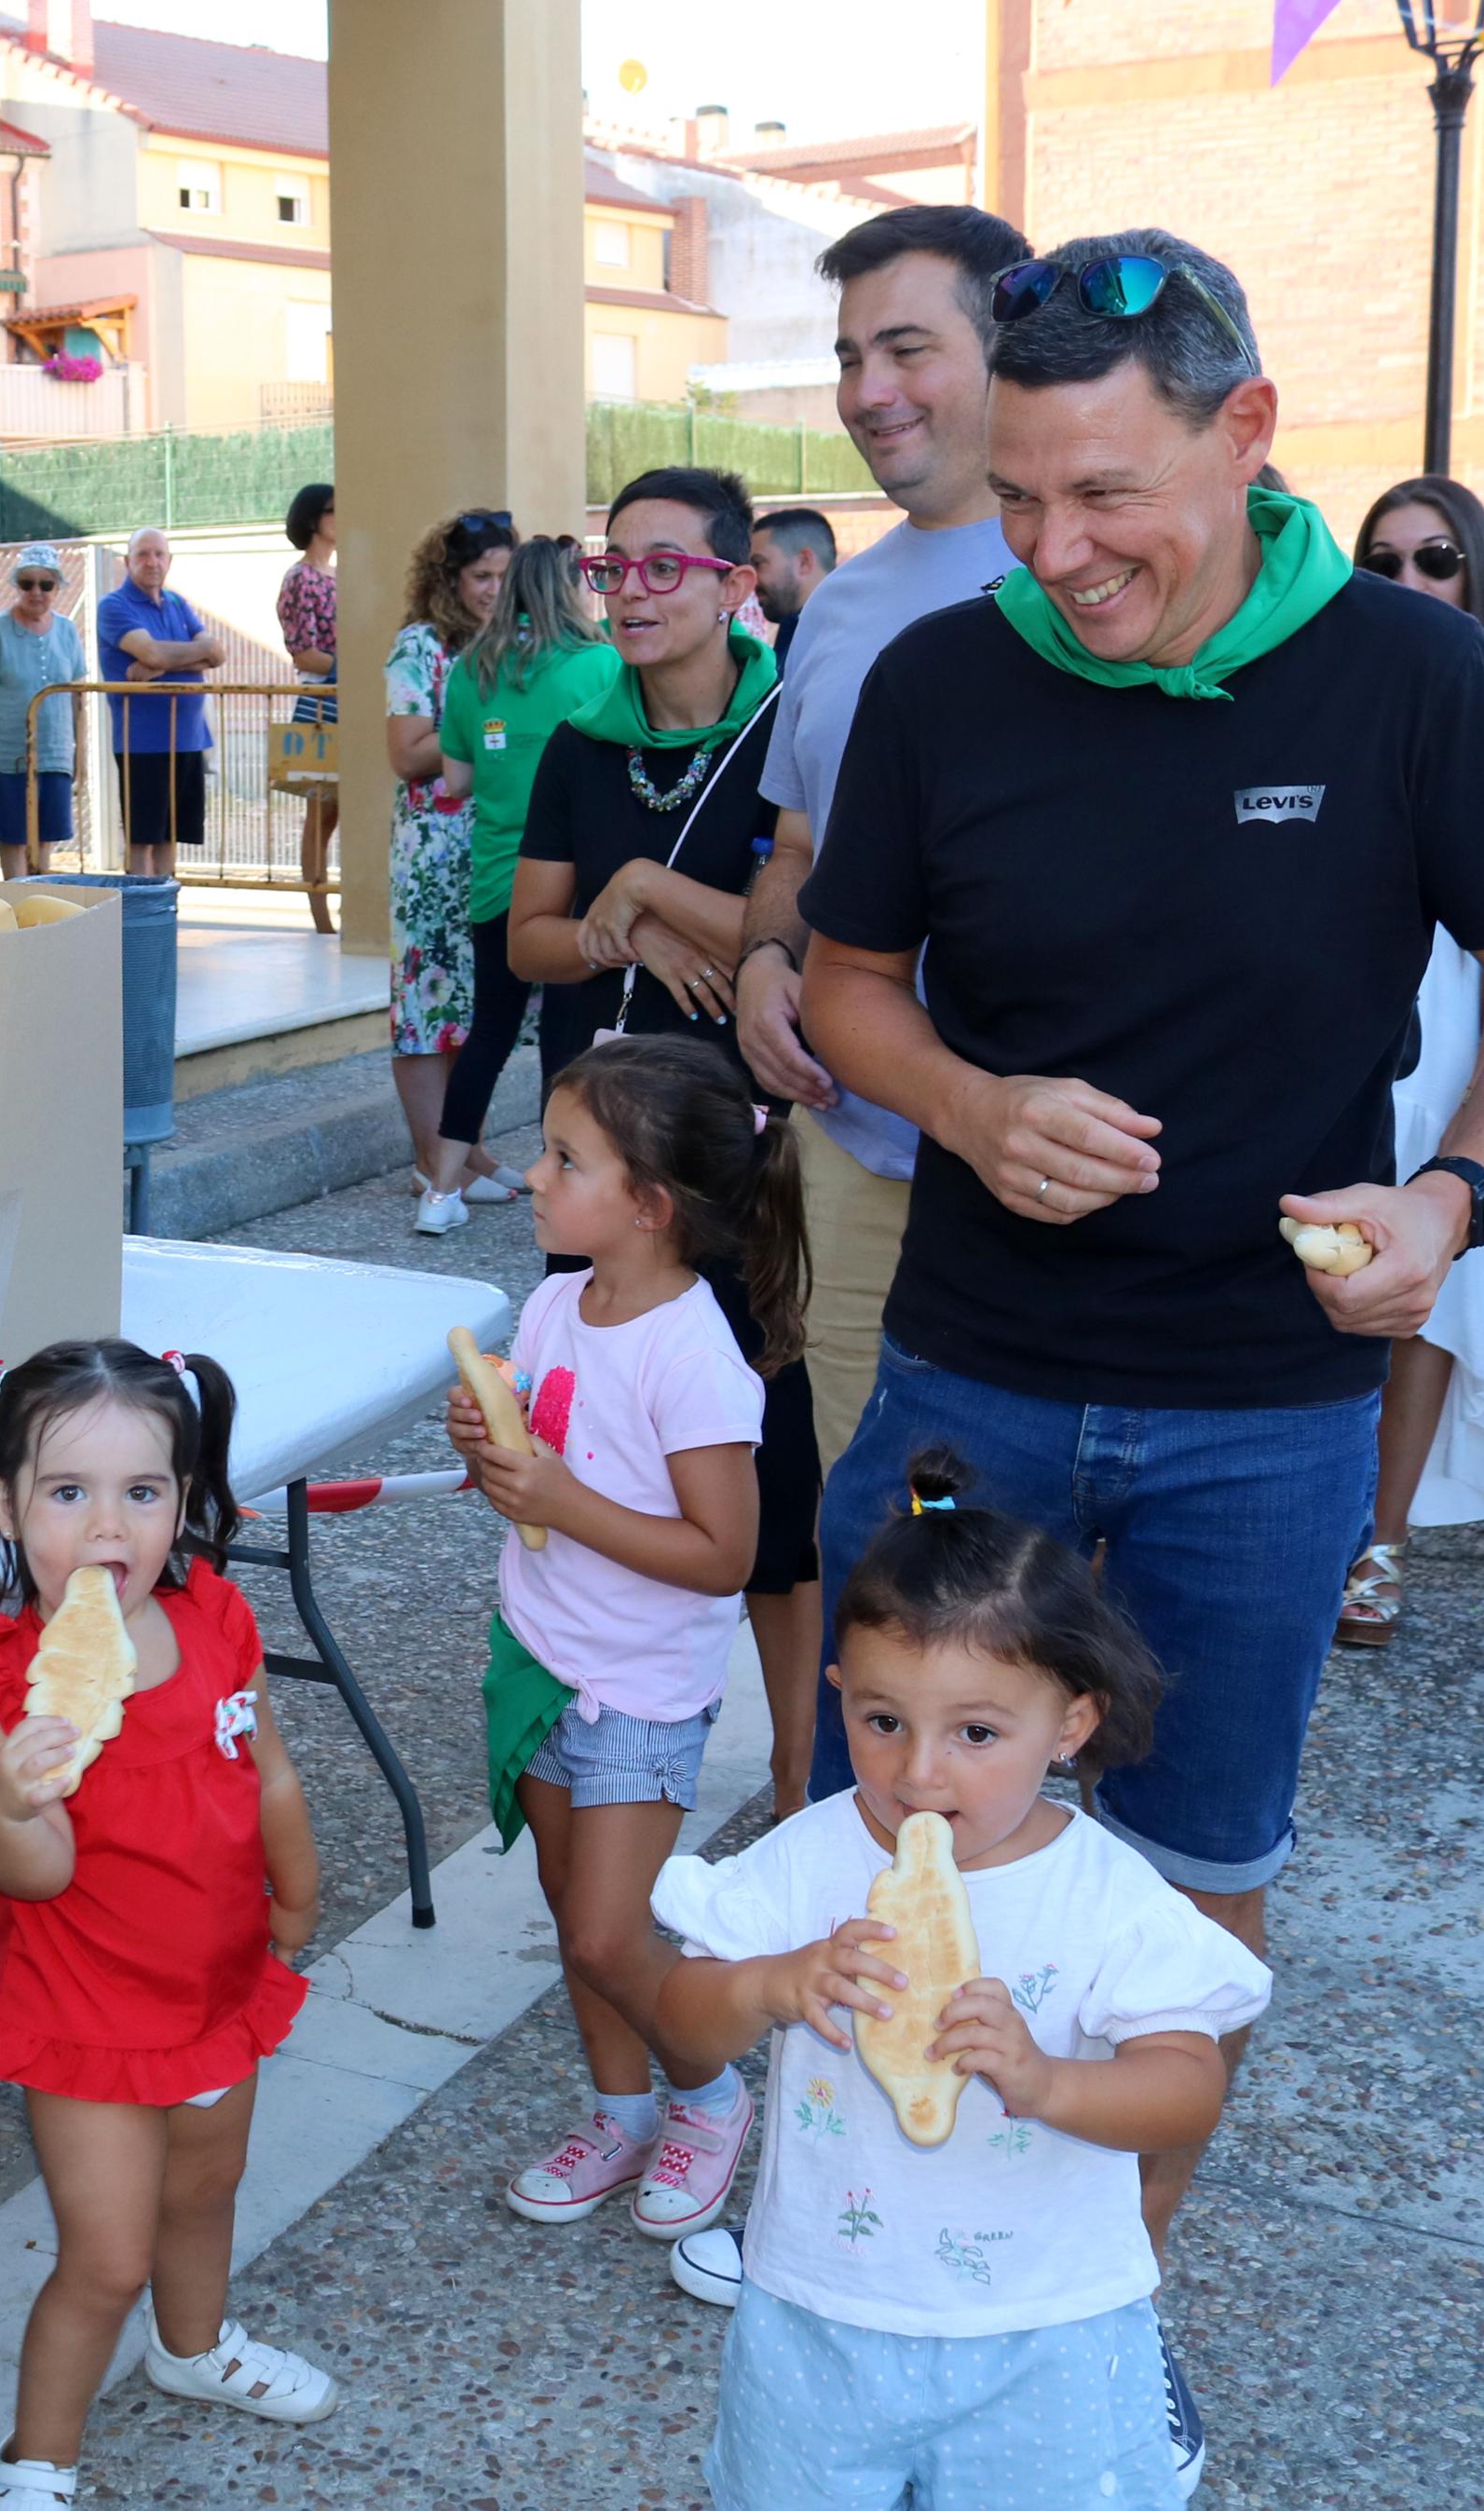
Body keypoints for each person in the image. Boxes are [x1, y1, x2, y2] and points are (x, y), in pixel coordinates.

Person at [793, 232, 1484, 2435]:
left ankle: (1081, 2331)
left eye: (1105, 500)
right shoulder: (943, 683)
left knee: (1194, 1886)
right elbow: (839, 980)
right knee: (887, 1846)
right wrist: (966, 1104)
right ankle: (866, 2279)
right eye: (1020, 497)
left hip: (1265, 1413)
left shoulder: (1401, 677)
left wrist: (1443, 1203)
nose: (1056, 555)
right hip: (973, 1375)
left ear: (1245, 438)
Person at [651, 1451, 1272, 2505]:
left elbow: (1185, 2086)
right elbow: (679, 2026)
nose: (917, 1774)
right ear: (836, 1690)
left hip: (1042, 2325)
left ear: (1067, 1724)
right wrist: (766, 1984)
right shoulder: (810, 1858)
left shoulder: (1101, 1891)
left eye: (975, 1732)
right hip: (819, 2308)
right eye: (881, 1721)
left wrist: (1047, 2082)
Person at [0, 1341, 333, 2510]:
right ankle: (35, 2462)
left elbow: (264, 1765)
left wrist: (296, 1892)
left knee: (206, 2192)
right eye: (69, 1493)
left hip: (217, 1990)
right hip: (90, 2021)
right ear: (6, 1506)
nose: (108, 1527)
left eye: (142, 1492)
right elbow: (32, 1878)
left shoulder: (216, 1616)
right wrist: (14, 1799)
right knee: (105, 2257)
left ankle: (193, 2345)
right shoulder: (5, 1694)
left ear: (186, 1499)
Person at [448, 1035, 795, 2262]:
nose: (534, 1176)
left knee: (605, 1929)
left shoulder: (692, 1356)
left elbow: (721, 1551)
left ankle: (706, 2091)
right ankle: (619, 2111)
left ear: (649, 1206)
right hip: (541, 1647)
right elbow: (541, 1471)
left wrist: (554, 1487)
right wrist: (487, 1435)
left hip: (639, 1684)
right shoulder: (554, 1301)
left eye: (561, 1157)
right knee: (563, 1900)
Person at [514, 468, 822, 1814]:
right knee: (604, 1442)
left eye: (661, 567)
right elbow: (527, 937)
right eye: (610, 568)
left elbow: (808, 928)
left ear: (729, 584)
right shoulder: (578, 741)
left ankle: (807, 1779)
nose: (629, 593)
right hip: (601, 1165)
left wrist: (640, 884)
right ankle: (608, 1715)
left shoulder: (793, 725)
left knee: (773, 1470)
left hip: (741, 1158)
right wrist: (626, 920)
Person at [731, 203, 1036, 1487]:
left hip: (1042, 1147)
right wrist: (757, 964)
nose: (867, 391)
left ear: (1002, 345)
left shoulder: (1098, 572)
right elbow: (795, 845)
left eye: (904, 349)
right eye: (850, 357)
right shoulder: (841, 602)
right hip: (852, 1141)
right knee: (881, 1509)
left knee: (1039, 1548)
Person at [1332, 476, 1484, 1650]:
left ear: (1477, 567)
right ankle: (1312, 1524)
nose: (1409, 582)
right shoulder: (1334, 694)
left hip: (1460, 1017)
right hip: (1338, 1006)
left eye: (1434, 558)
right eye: (1380, 562)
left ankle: (1377, 1543)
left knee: (1424, 1286)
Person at [422, 536, 616, 1232]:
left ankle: (440, 1192)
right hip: (573, 883)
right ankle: (559, 1187)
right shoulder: (599, 663)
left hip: (498, 878)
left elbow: (455, 778)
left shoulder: (472, 665)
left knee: (490, 1035)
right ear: (571, 590)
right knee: (567, 1044)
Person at [384, 512, 518, 1202]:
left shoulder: (513, 642)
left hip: (491, 843)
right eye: (480, 576)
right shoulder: (421, 646)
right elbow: (406, 754)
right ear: (450, 579)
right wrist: (479, 723)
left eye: (503, 574)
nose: (494, 588)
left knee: (475, 1008)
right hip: (431, 854)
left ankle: (467, 1151)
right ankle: (429, 1160)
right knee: (423, 1009)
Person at [98, 527, 223, 880]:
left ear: (169, 560)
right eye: (142, 554)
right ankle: (141, 921)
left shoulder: (178, 603)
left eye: (158, 554)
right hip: (143, 742)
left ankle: (166, 914)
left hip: (188, 738)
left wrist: (160, 664)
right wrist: (185, 656)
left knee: (171, 836)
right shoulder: (114, 605)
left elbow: (217, 652)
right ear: (127, 561)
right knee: (142, 839)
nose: (151, 561)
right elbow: (151, 650)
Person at [0, 542, 87, 876]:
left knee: (46, 838)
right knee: (13, 838)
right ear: (17, 585)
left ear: (57, 587)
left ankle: (40, 905)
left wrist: (80, 755)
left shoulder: (67, 631)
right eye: (27, 583)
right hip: (6, 755)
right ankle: (17, 906)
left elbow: (79, 699)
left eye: (46, 584)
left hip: (53, 754)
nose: (36, 592)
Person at [277, 483, 343, 921]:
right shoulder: (301, 577)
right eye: (336, 509)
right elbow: (303, 650)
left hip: (343, 697)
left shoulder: (338, 575)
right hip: (321, 701)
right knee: (320, 812)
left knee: (337, 811)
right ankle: (319, 914)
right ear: (313, 519)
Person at [746, 505, 835, 677]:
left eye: (758, 563)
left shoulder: (836, 639)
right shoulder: (798, 628)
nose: (752, 580)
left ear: (803, 562)